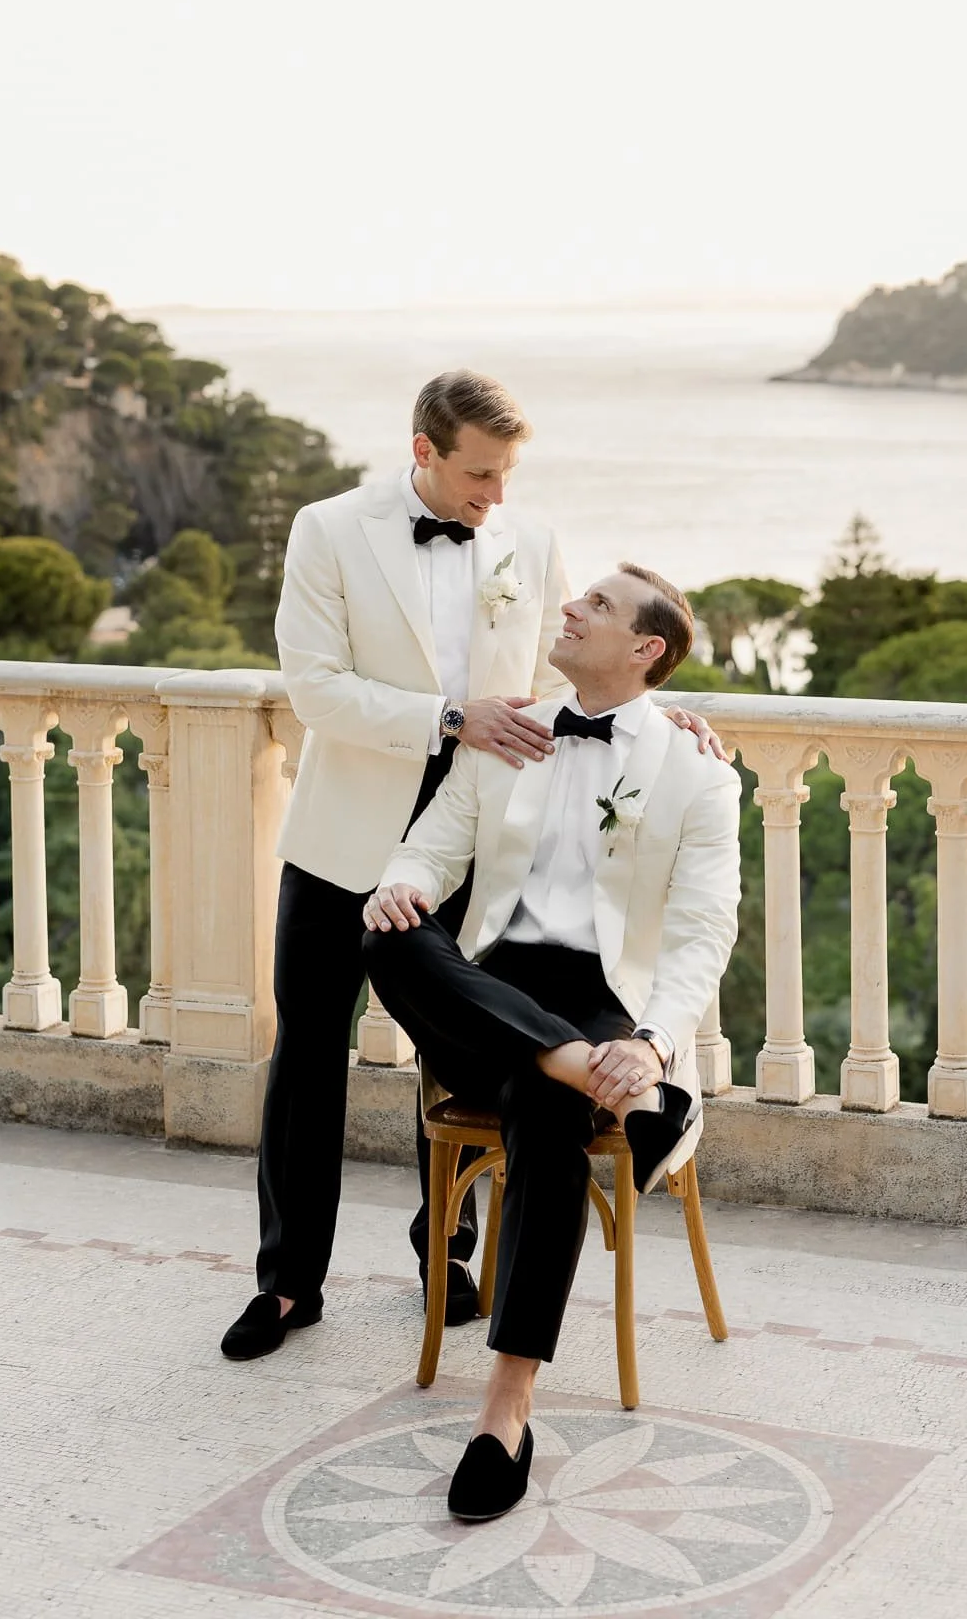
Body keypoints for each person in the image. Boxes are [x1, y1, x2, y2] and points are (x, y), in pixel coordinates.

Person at [221, 374, 718, 1362]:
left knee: (455, 1050)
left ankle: (444, 1259)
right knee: (308, 1057)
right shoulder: (328, 528)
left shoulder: (528, 545)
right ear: (425, 451)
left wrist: (666, 710)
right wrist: (448, 718)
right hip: (342, 842)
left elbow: (562, 682)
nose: (495, 493)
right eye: (478, 473)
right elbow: (315, 689)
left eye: (506, 473)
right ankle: (286, 1283)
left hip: (479, 841)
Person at [362, 563, 740, 1522]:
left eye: (598, 608)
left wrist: (651, 1046)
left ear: (645, 651)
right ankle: (584, 1075)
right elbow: (435, 843)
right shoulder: (509, 735)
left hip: (610, 1001)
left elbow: (702, 933)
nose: (570, 608)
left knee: (544, 1105)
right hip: (490, 982)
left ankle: (506, 1408)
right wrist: (401, 878)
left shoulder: (697, 772)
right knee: (389, 935)